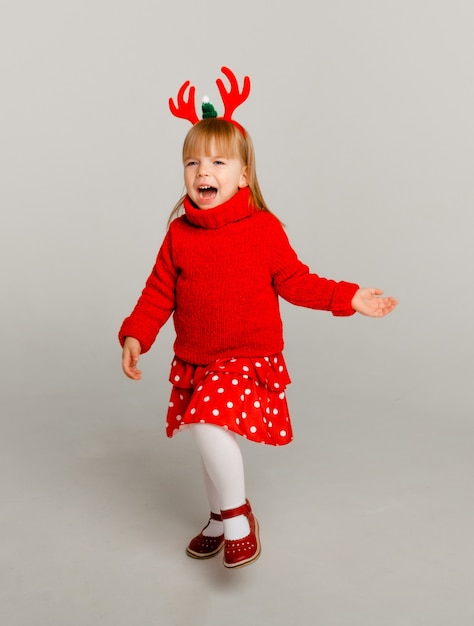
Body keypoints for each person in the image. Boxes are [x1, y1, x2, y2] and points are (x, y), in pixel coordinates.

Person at [119, 67, 398, 569]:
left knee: (206, 423)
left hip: (246, 355)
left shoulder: (263, 229)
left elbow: (296, 281)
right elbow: (159, 291)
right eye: (192, 162)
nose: (203, 172)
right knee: (208, 438)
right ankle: (218, 517)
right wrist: (137, 335)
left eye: (218, 162)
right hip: (197, 357)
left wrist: (349, 296)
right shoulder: (179, 235)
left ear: (243, 175)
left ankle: (238, 516)